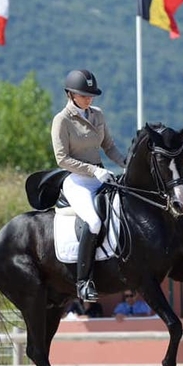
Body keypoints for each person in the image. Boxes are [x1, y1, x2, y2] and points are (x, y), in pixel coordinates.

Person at [51, 69, 126, 303]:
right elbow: (61, 159)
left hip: (100, 176)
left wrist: (126, 164)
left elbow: (109, 146)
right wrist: (94, 170)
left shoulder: (98, 115)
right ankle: (83, 282)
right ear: (71, 94)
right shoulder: (62, 120)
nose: (89, 98)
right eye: (84, 95)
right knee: (93, 221)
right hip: (77, 180)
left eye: (91, 95)